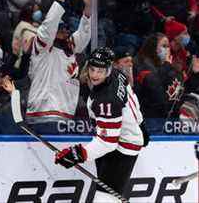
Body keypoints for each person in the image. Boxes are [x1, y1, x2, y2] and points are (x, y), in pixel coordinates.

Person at [55, 47, 144, 202]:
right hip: (119, 138)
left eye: (100, 71)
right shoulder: (118, 75)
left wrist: (76, 154)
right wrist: (141, 124)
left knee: (104, 198)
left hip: (123, 146)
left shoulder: (107, 100)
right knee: (108, 195)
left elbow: (108, 143)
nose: (95, 75)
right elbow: (132, 100)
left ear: (108, 69)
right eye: (92, 69)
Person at [25, 0, 91, 124]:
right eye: (60, 29)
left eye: (66, 29)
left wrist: (88, 9)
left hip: (66, 115)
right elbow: (49, 26)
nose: (65, 31)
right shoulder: (42, 49)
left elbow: (84, 33)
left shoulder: (70, 47)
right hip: (43, 113)